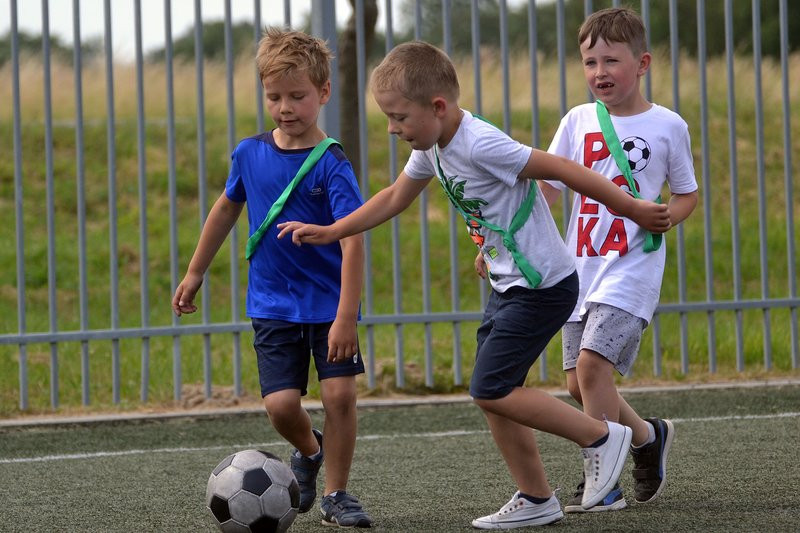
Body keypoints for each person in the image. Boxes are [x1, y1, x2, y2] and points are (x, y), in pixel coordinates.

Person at [277, 40, 672, 529]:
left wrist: (630, 207)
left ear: (437, 107)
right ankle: (536, 497)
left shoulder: (480, 142)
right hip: (509, 286)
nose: (392, 128)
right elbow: (396, 196)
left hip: (544, 286)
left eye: (399, 117)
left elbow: (561, 168)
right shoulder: (433, 146)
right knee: (493, 390)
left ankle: (600, 436)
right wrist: (336, 231)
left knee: (490, 387)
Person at [171, 28, 373, 529]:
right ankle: (308, 448)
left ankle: (337, 495)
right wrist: (196, 271)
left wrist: (347, 314)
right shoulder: (249, 153)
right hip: (272, 304)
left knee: (339, 397)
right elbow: (225, 209)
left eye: (298, 96)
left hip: (328, 305)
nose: (285, 107)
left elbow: (353, 239)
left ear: (323, 93)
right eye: (274, 96)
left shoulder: (332, 162)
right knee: (282, 406)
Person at [537, 7, 698, 513]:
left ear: (642, 63)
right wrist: (508, 240)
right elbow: (548, 186)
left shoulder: (669, 125)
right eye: (589, 62)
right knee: (575, 382)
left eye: (611, 60)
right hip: (577, 270)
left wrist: (666, 217)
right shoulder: (576, 120)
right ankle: (648, 438)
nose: (599, 72)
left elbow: (687, 194)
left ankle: (603, 483)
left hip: (632, 270)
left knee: (590, 369)